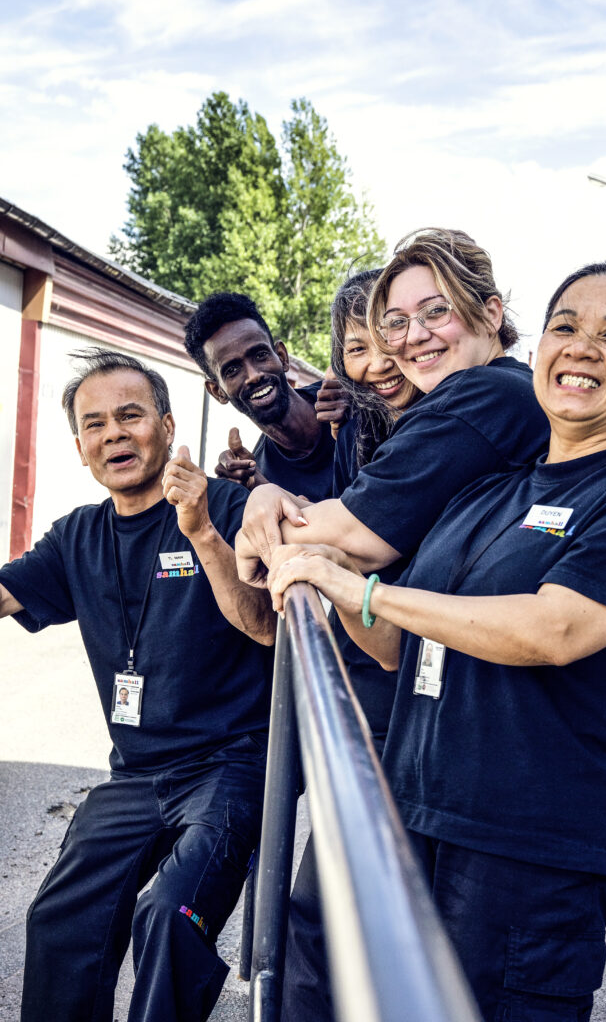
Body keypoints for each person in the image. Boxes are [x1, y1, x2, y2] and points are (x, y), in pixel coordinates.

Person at [267, 260, 606, 1022]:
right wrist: (329, 572)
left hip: (525, 851)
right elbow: (396, 646)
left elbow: (555, 629)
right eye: (565, 327)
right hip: (413, 815)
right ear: (539, 348)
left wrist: (366, 591)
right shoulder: (488, 491)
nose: (580, 347)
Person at [0, 348, 276, 1022]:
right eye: (94, 424)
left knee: (169, 914)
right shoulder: (77, 537)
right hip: (135, 776)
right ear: (80, 448)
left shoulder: (229, 506)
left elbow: (265, 626)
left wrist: (201, 531)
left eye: (130, 415)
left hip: (230, 767)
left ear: (167, 425)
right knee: (60, 915)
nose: (113, 434)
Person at [235, 227, 550, 582]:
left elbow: (359, 532)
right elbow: (360, 510)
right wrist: (269, 496)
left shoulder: (479, 396)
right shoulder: (501, 389)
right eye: (397, 322)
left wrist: (251, 539)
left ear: (491, 314)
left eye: (436, 311)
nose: (414, 336)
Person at [281, 269, 420, 1022]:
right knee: (317, 916)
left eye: (390, 335)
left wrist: (271, 513)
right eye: (356, 346)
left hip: (420, 693)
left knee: (371, 920)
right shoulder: (361, 429)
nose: (378, 361)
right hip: (367, 686)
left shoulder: (459, 427)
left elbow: (346, 538)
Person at [184, 291, 339, 500]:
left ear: (282, 357)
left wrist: (366, 406)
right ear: (217, 391)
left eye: (260, 355)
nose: (254, 376)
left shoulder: (348, 399)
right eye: (232, 370)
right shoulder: (258, 478)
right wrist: (259, 490)